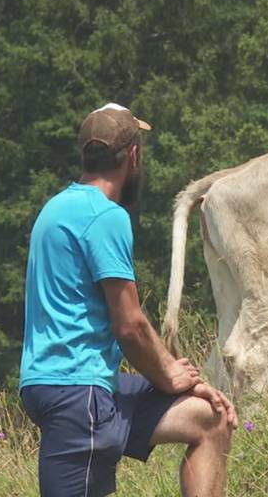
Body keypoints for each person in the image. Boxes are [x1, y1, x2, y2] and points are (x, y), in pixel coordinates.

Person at [19, 103, 237, 497]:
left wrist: (182, 379)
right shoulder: (105, 216)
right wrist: (170, 375)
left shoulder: (54, 210)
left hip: (66, 385)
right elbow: (130, 326)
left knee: (211, 418)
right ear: (133, 156)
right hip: (78, 394)